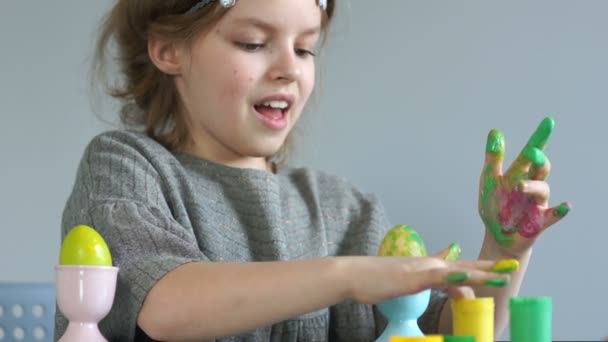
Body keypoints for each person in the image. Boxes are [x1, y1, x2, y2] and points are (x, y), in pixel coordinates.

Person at [55, 0, 570, 341]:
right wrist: (346, 276)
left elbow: (438, 328)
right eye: (254, 43)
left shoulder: (344, 210)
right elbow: (165, 303)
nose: (288, 67)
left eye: (305, 48)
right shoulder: (126, 169)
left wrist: (504, 250)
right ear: (169, 50)